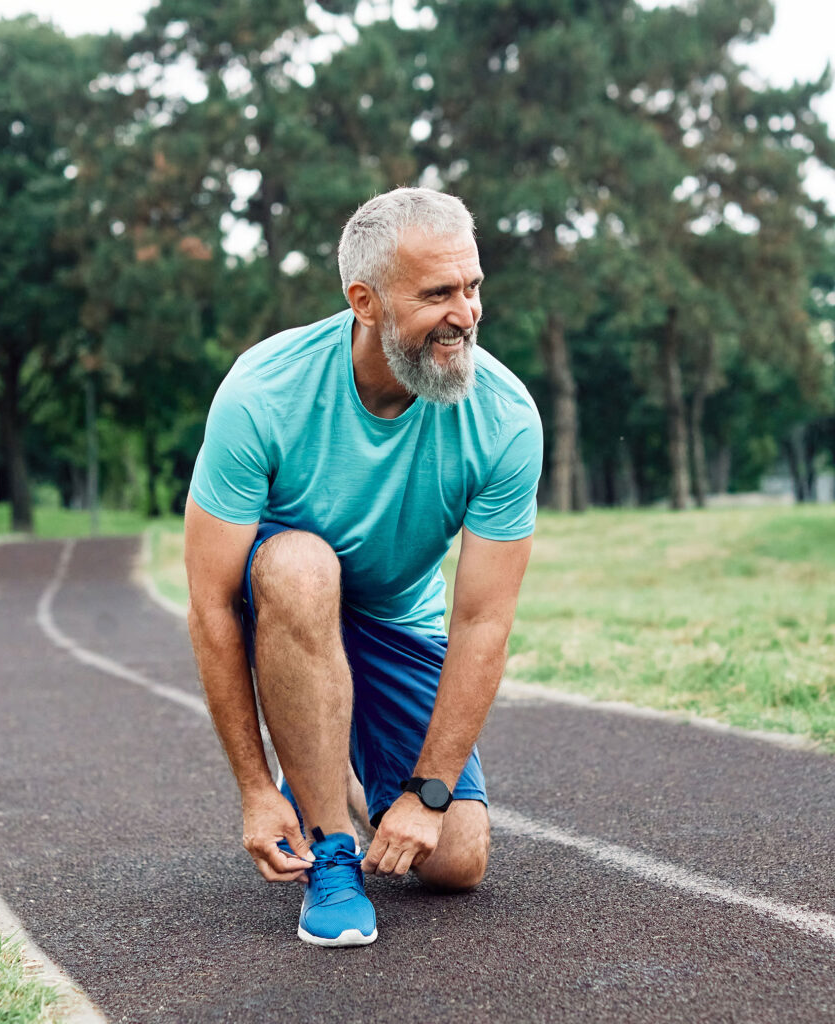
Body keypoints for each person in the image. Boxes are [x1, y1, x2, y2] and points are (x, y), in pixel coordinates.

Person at [184, 187, 542, 947]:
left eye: (473, 286)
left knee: (456, 861)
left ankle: (332, 767)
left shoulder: (505, 417)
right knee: (304, 566)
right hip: (279, 599)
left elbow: (483, 620)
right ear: (365, 301)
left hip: (390, 617)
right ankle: (332, 854)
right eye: (438, 293)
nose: (466, 313)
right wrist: (253, 789)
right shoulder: (262, 392)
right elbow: (211, 602)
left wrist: (427, 792)